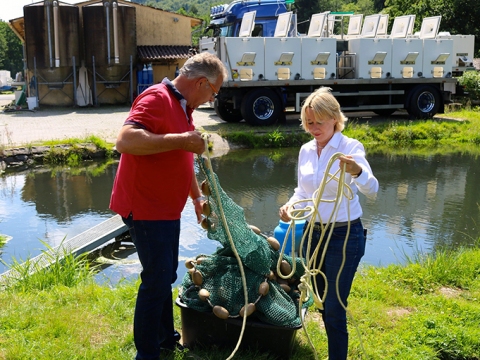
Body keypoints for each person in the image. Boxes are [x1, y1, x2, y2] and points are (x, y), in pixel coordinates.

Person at [109, 52, 227, 360]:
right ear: (201, 82)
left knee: (163, 275)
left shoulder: (183, 107)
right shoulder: (156, 97)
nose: (210, 99)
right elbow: (125, 140)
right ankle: (147, 354)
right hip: (145, 208)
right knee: (156, 280)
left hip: (165, 209)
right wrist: (180, 140)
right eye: (213, 93)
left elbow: (184, 157)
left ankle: (164, 340)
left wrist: (196, 197)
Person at [278, 87, 379, 360]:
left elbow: (373, 189)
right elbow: (303, 191)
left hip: (345, 235)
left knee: (335, 306)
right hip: (313, 233)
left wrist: (357, 171)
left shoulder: (350, 148)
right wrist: (290, 205)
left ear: (335, 118)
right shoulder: (306, 150)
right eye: (308, 122)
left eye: (318, 122)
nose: (313, 128)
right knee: (320, 299)